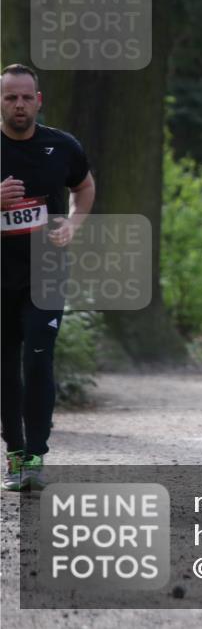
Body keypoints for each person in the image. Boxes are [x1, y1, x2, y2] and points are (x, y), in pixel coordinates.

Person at [1, 63, 96, 491]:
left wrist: (73, 226)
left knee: (38, 356)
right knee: (4, 369)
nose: (19, 104)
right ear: (0, 102)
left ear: (38, 100)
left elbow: (85, 187)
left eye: (26, 97)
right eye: (10, 97)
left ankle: (36, 454)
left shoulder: (62, 146)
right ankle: (15, 454)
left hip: (46, 271)